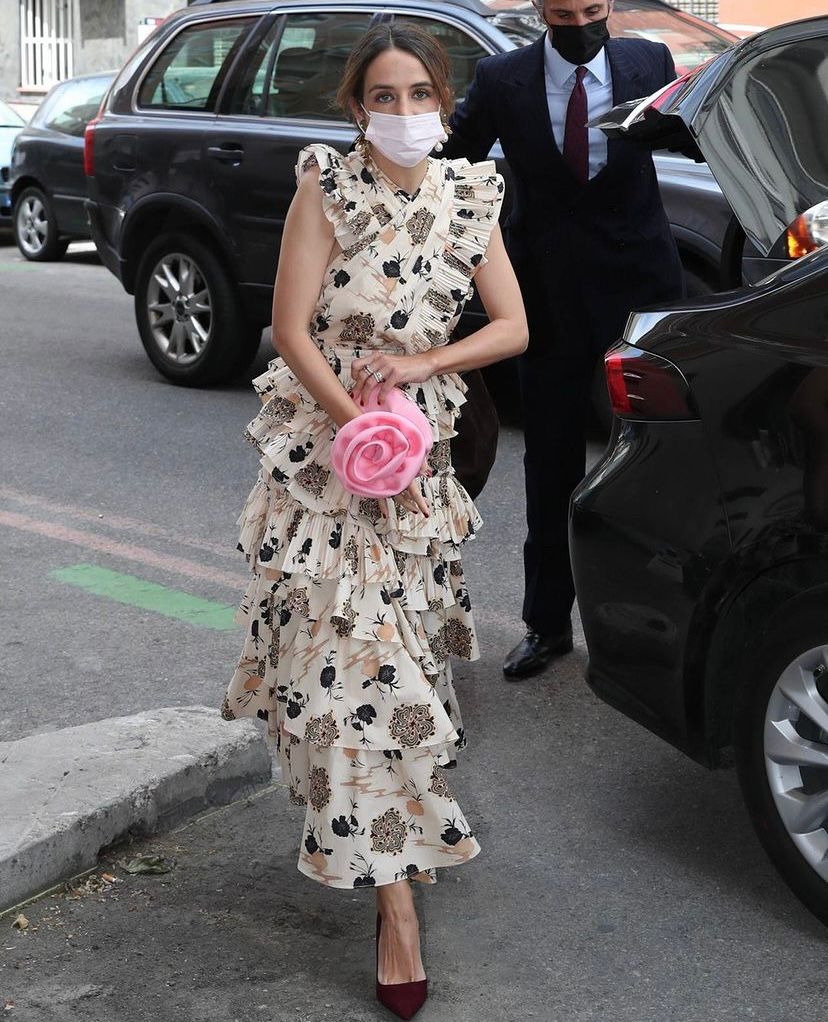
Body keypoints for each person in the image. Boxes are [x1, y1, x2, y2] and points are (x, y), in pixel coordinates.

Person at [219, 23, 527, 1020]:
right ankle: (386, 872)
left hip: (419, 470)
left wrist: (426, 370)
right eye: (383, 97)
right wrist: (361, 433)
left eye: (419, 94)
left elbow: (512, 325)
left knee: (395, 672)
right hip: (327, 467)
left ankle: (394, 885)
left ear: (442, 102)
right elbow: (289, 324)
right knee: (330, 672)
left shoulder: (470, 195)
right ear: (356, 108)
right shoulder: (329, 186)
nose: (403, 113)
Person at [442, 0, 686, 679]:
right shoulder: (501, 79)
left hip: (642, 294)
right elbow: (446, 163)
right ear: (541, 11)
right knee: (549, 466)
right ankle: (546, 625)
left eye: (590, 8)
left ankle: (652, 632)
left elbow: (689, 136)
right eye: (561, 11)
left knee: (656, 466)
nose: (578, 22)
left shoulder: (649, 61)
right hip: (546, 300)